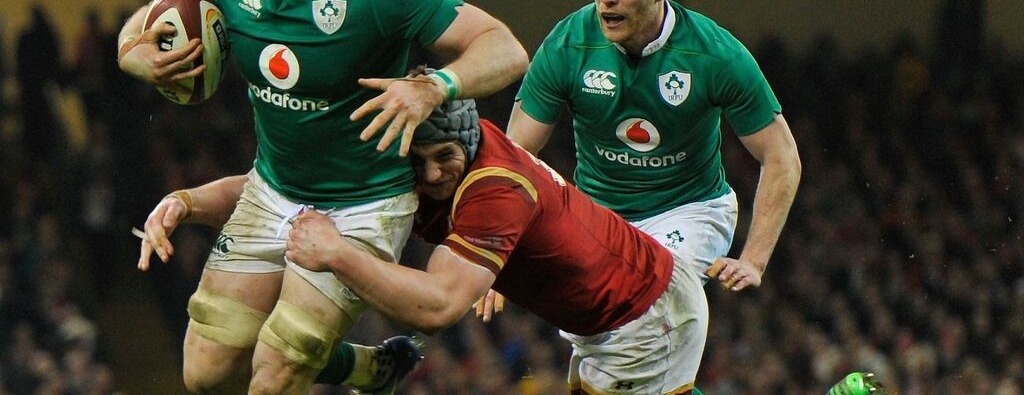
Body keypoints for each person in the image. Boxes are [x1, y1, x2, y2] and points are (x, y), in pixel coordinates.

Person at [120, 0, 528, 395]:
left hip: (364, 204)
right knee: (205, 375)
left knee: (274, 377)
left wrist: (436, 85)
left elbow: (504, 47)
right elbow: (142, 25)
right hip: (272, 191)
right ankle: (372, 370)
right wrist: (134, 57)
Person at [143, 94, 706, 395]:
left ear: (467, 142)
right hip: (604, 315)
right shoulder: (394, 160)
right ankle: (369, 369)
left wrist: (339, 252)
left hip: (641, 314)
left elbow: (437, 306)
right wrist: (187, 203)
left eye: (445, 160)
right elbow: (272, 191)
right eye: (419, 162)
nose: (434, 175)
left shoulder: (497, 190)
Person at [504, 0, 802, 381]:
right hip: (596, 220)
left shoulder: (713, 54)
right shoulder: (568, 43)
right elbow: (512, 157)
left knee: (643, 302)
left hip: (689, 212)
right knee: (600, 358)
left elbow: (781, 155)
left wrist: (754, 257)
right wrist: (494, 252)